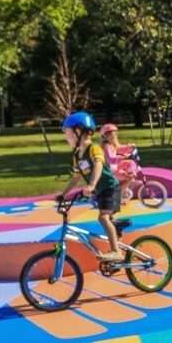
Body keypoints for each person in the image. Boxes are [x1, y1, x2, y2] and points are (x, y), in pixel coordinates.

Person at [60, 112, 124, 264]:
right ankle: (117, 243)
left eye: (68, 133)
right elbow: (76, 178)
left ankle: (117, 252)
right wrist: (63, 195)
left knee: (103, 217)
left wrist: (92, 185)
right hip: (100, 191)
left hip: (110, 187)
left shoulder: (93, 148)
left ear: (79, 131)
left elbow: (98, 165)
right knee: (109, 219)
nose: (66, 137)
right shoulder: (77, 156)